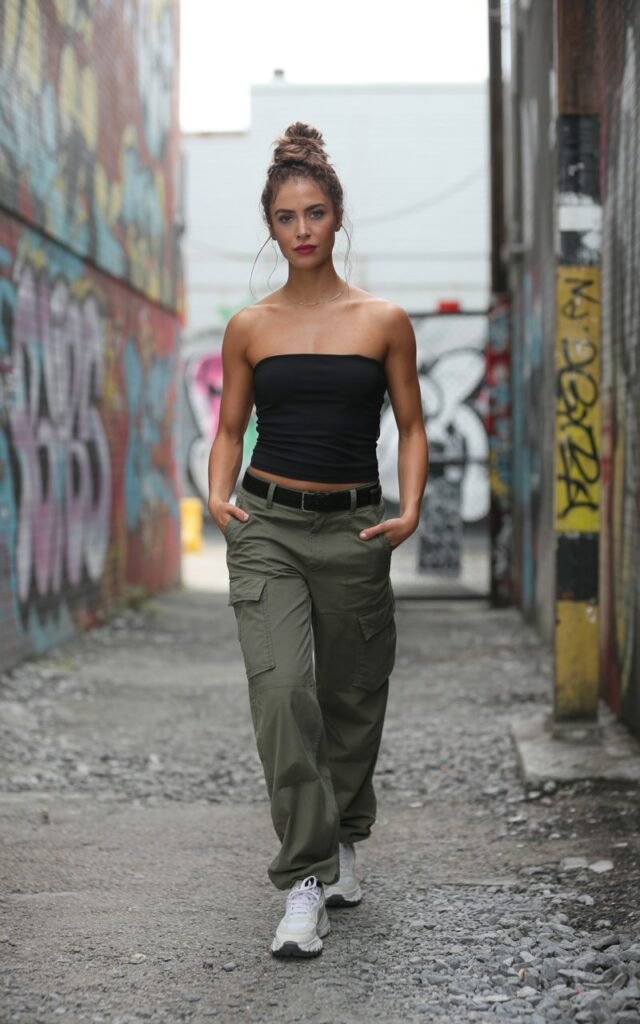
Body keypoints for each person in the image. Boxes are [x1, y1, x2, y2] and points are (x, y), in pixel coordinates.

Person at [208, 122, 429, 958]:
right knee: (282, 693)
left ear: (338, 217)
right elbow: (229, 430)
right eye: (285, 217)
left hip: (354, 528)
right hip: (266, 527)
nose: (301, 230)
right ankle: (304, 879)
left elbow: (411, 424)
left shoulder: (383, 321)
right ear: (269, 227)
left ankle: (341, 835)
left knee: (351, 697)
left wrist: (410, 509)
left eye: (315, 213)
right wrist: (216, 494)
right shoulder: (249, 327)